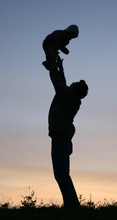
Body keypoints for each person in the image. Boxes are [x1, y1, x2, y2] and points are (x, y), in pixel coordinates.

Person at [47, 56, 88, 207]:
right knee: (63, 174)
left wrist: (53, 65)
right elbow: (63, 84)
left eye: (74, 84)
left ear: (74, 89)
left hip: (59, 140)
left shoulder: (65, 95)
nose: (72, 83)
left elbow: (56, 79)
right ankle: (70, 204)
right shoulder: (73, 99)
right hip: (65, 141)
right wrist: (60, 68)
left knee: (61, 175)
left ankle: (72, 204)